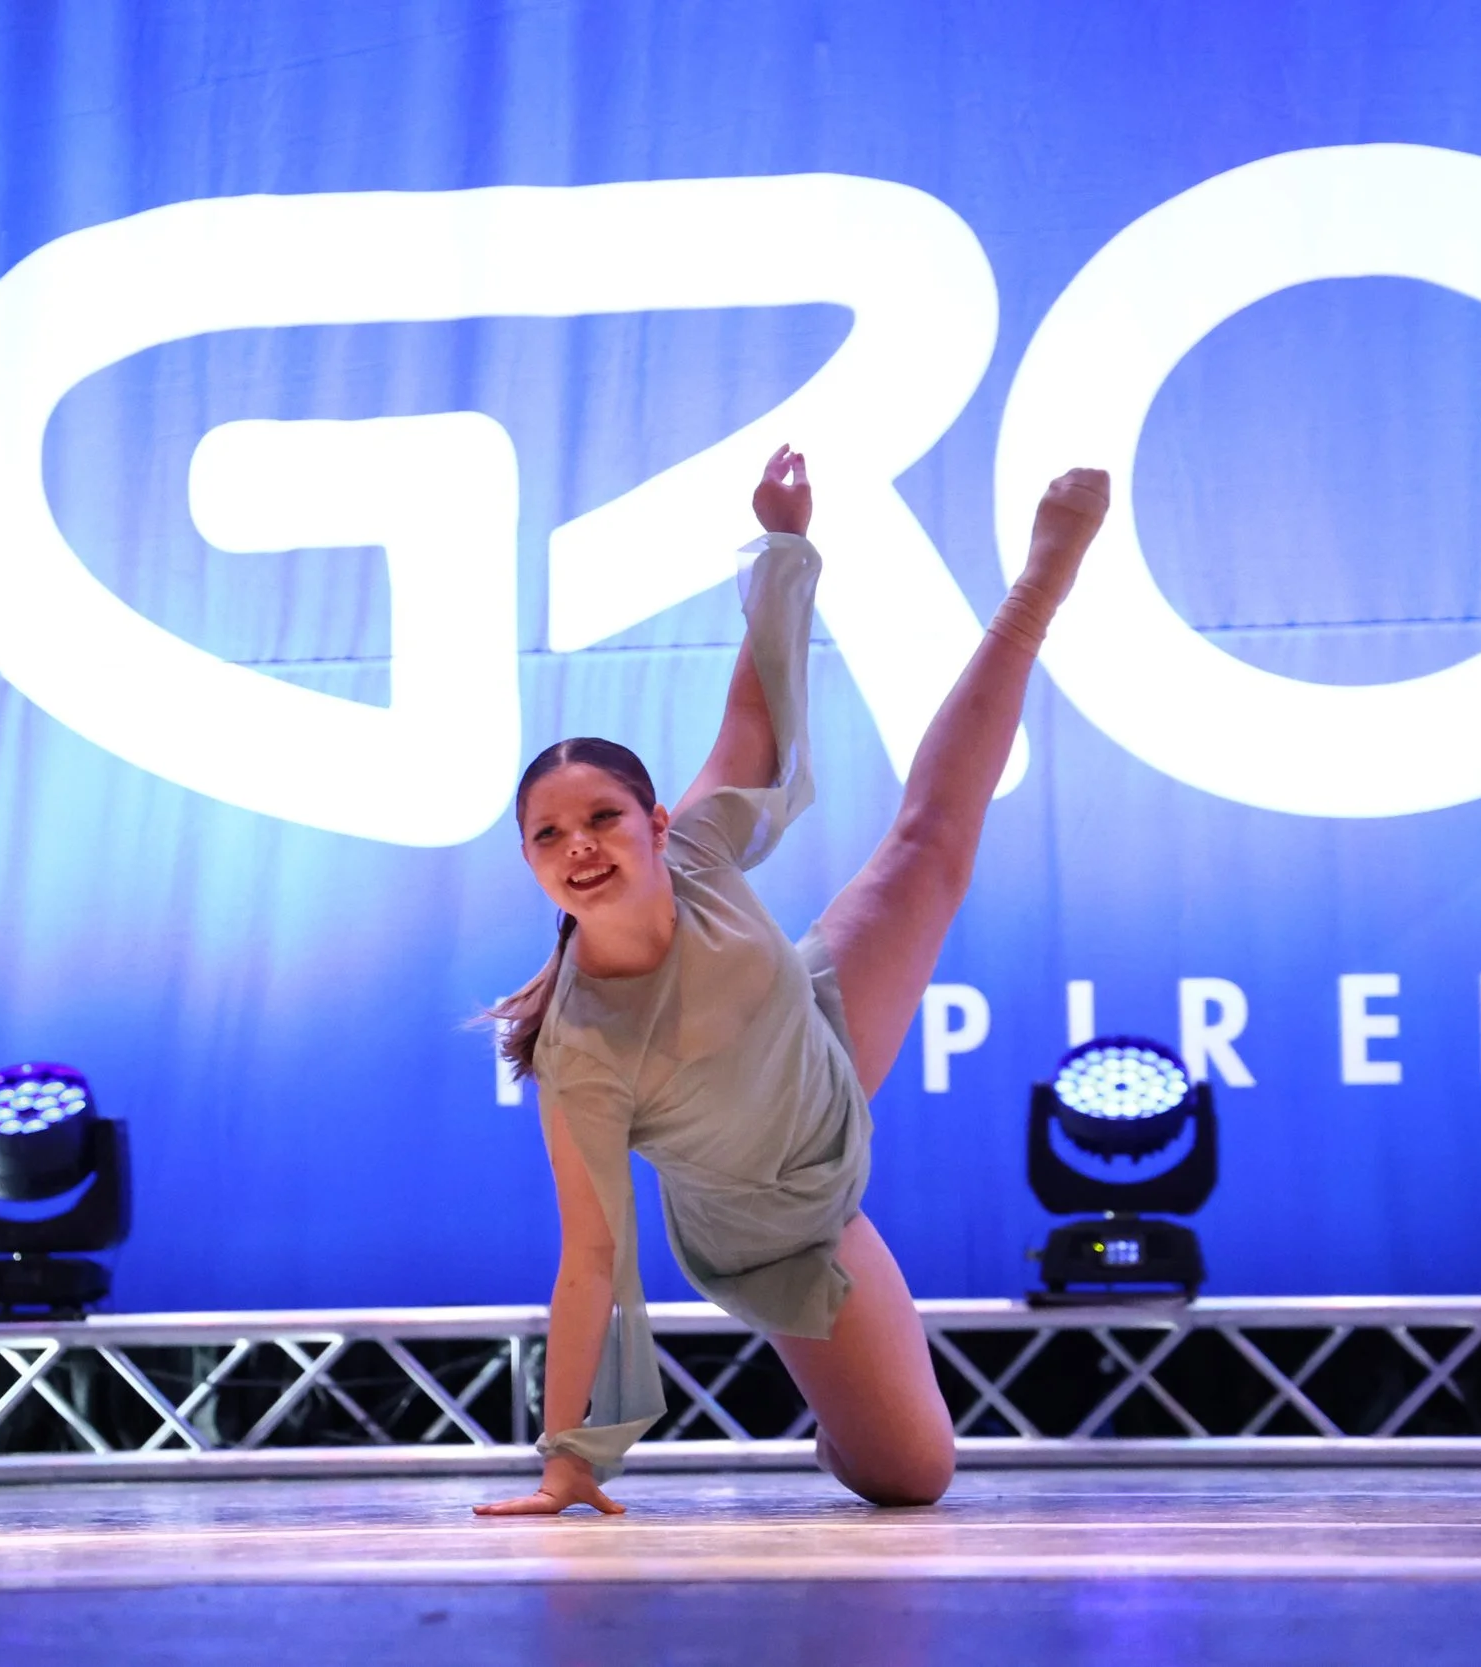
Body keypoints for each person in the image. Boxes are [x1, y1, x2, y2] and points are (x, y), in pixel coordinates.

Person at [474, 446, 1111, 1515]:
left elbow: (751, 722)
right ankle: (848, 1431)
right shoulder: (579, 1047)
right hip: (785, 1221)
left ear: (654, 824)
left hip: (815, 1032)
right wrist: (569, 1457)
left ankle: (1036, 592)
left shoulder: (696, 853)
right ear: (533, 863)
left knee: (930, 847)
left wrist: (782, 544)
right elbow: (590, 1258)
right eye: (548, 834)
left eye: (600, 818)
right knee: (911, 1478)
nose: (578, 845)